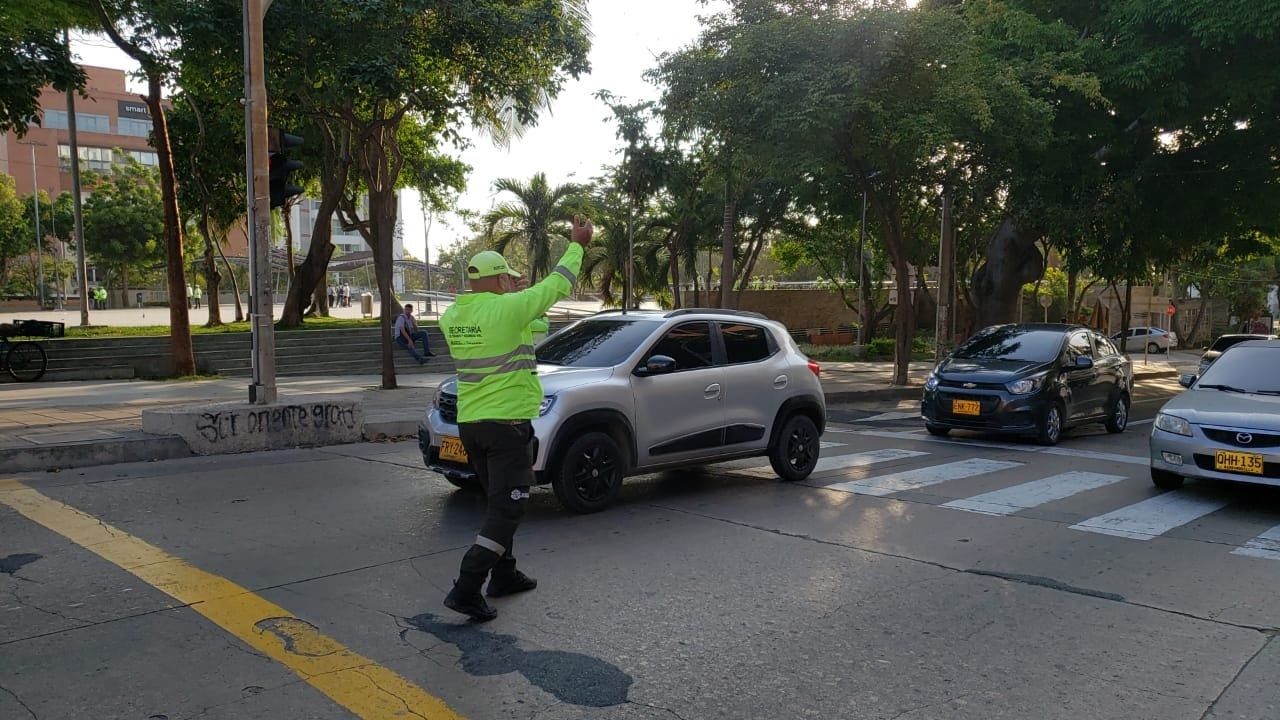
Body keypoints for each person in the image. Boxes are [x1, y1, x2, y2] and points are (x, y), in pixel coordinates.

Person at [439, 215, 591, 621]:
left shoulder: (454, 316)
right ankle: (467, 587)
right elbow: (556, 286)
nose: (512, 280)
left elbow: (533, 322)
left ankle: (503, 575)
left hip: (473, 425)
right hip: (506, 427)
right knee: (508, 509)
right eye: (506, 276)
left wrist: (513, 293)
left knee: (496, 501)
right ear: (497, 280)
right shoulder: (507, 310)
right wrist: (578, 244)